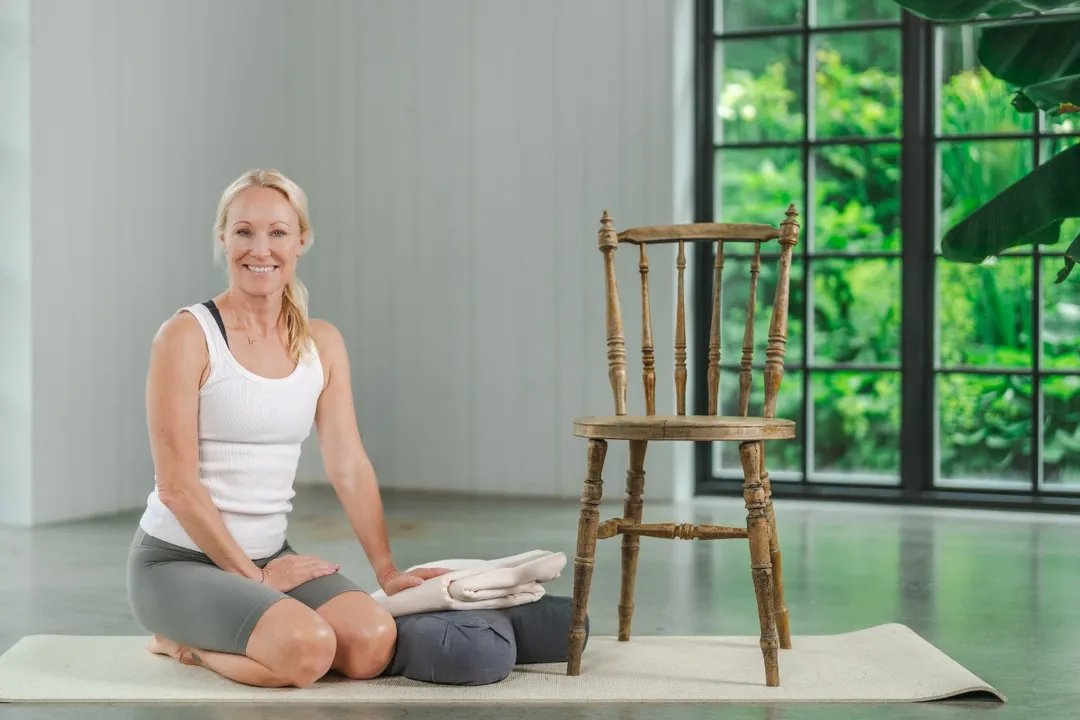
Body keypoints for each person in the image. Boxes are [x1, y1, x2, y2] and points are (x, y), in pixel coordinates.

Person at [126, 168, 448, 689]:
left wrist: (387, 571)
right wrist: (255, 577)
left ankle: (249, 626)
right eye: (244, 231)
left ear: (302, 240)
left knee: (371, 643)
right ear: (223, 239)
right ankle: (185, 646)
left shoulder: (322, 343)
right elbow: (177, 488)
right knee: (307, 651)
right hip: (177, 564)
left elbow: (349, 465)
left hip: (271, 557)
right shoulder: (186, 335)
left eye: (277, 232)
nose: (261, 249)